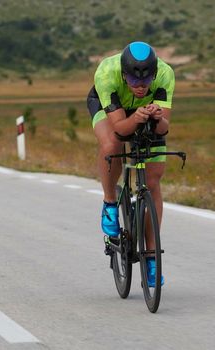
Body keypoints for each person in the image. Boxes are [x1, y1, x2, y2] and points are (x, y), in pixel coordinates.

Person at [86, 41, 175, 287]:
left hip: (144, 113)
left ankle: (151, 258)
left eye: (146, 81)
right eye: (134, 81)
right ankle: (109, 202)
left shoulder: (166, 75)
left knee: (153, 181)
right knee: (112, 146)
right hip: (113, 112)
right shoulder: (107, 73)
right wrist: (135, 117)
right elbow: (120, 129)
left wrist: (157, 119)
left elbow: (164, 128)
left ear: (155, 74)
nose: (140, 86)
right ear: (124, 75)